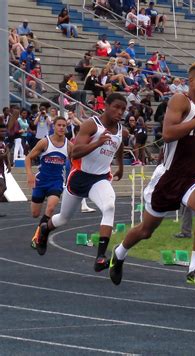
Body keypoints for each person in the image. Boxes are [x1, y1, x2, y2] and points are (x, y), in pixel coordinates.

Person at [108, 60, 195, 289]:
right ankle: (119, 253)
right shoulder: (181, 100)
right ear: (191, 81)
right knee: (146, 230)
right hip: (170, 176)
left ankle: (194, 268)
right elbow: (168, 134)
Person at [36, 93, 128, 273]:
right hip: (79, 177)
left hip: (100, 178)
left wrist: (121, 166)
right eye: (116, 107)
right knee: (63, 218)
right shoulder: (92, 125)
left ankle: (101, 257)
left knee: (109, 207)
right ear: (106, 106)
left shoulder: (121, 130)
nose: (120, 112)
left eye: (123, 109)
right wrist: (97, 143)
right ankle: (45, 229)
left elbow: (120, 145)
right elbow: (75, 153)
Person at [26, 117, 71, 249]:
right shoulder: (45, 142)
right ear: (54, 127)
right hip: (41, 181)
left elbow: (75, 163)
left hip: (56, 182)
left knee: (50, 209)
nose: (61, 128)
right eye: (59, 125)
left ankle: (39, 237)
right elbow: (28, 158)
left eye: (64, 125)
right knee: (35, 214)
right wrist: (30, 174)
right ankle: (40, 233)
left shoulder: (69, 146)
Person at [0, 131, 12, 205]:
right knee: (3, 186)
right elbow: (3, 155)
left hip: (1, 168)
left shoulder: (3, 143)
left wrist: (8, 164)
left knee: (4, 187)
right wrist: (6, 152)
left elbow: (5, 156)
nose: (3, 132)